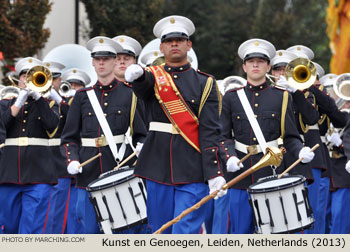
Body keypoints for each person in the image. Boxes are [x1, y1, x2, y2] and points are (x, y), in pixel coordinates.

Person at [125, 15, 227, 234]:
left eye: (179, 40)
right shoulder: (153, 76)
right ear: (161, 47)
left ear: (188, 45)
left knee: (185, 230)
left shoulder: (205, 82)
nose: (174, 44)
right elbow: (142, 90)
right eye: (169, 41)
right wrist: (139, 77)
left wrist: (215, 171)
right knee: (160, 229)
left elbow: (210, 129)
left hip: (193, 168)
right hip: (156, 165)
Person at [220, 39, 314, 234]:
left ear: (268, 66)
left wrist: (300, 151)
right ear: (244, 66)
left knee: (274, 233)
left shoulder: (282, 96)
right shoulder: (231, 96)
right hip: (240, 173)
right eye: (251, 61)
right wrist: (229, 156)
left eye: (261, 61)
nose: (256, 64)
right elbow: (222, 135)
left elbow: (290, 137)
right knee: (240, 232)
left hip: (272, 173)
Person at [60, 36, 147, 234]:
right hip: (87, 173)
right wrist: (72, 159)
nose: (101, 63)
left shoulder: (130, 94)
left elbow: (141, 133)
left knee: (123, 232)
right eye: (97, 58)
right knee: (89, 231)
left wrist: (142, 145)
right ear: (92, 61)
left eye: (106, 58)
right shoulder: (82, 96)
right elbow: (69, 138)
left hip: (121, 172)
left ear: (115, 61)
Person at [0, 57, 59, 234]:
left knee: (32, 227)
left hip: (39, 174)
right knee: (7, 226)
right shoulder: (5, 104)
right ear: (20, 79)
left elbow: (52, 125)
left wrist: (39, 98)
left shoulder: (48, 104)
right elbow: (2, 125)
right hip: (8, 174)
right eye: (25, 76)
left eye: (32, 75)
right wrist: (18, 102)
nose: (28, 80)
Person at [269, 49, 316, 184]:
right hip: (272, 156)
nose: (282, 73)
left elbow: (312, 118)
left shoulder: (302, 94)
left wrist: (295, 92)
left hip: (296, 153)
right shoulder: (264, 94)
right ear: (272, 72)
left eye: (285, 69)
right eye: (278, 70)